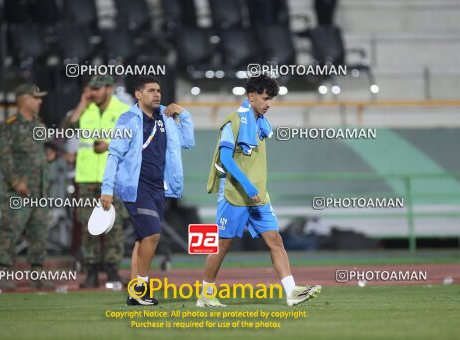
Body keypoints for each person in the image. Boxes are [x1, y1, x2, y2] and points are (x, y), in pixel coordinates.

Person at [200, 74, 321, 307]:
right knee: (223, 244)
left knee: (275, 240)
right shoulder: (234, 121)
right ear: (251, 96)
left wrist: (255, 188)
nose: (268, 104)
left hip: (258, 195)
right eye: (265, 98)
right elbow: (225, 157)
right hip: (235, 194)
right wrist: (246, 184)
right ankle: (205, 294)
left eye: (271, 99)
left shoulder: (261, 124)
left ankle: (291, 291)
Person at [100, 76, 195, 306]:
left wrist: (185, 115)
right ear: (138, 94)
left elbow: (188, 141)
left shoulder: (167, 117)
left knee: (142, 239)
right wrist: (107, 189)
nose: (157, 94)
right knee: (153, 234)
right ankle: (142, 288)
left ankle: (134, 291)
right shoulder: (127, 119)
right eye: (151, 90)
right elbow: (114, 155)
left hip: (158, 188)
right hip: (136, 187)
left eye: (159, 90)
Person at [62, 76, 131, 289]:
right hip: (86, 178)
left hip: (112, 179)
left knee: (114, 225)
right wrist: (82, 103)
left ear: (109, 89)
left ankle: (112, 270)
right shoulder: (85, 109)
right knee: (87, 226)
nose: (93, 92)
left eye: (98, 88)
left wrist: (110, 144)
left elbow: (135, 139)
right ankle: (91, 270)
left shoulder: (123, 109)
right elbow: (66, 129)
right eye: (91, 88)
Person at [0, 84, 57, 290]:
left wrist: (50, 156)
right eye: (36, 98)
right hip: (19, 190)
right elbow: (3, 158)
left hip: (40, 189)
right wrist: (16, 182)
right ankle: (2, 273)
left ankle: (37, 274)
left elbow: (45, 151)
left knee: (39, 232)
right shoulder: (9, 126)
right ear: (23, 99)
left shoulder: (39, 124)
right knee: (10, 230)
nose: (40, 102)